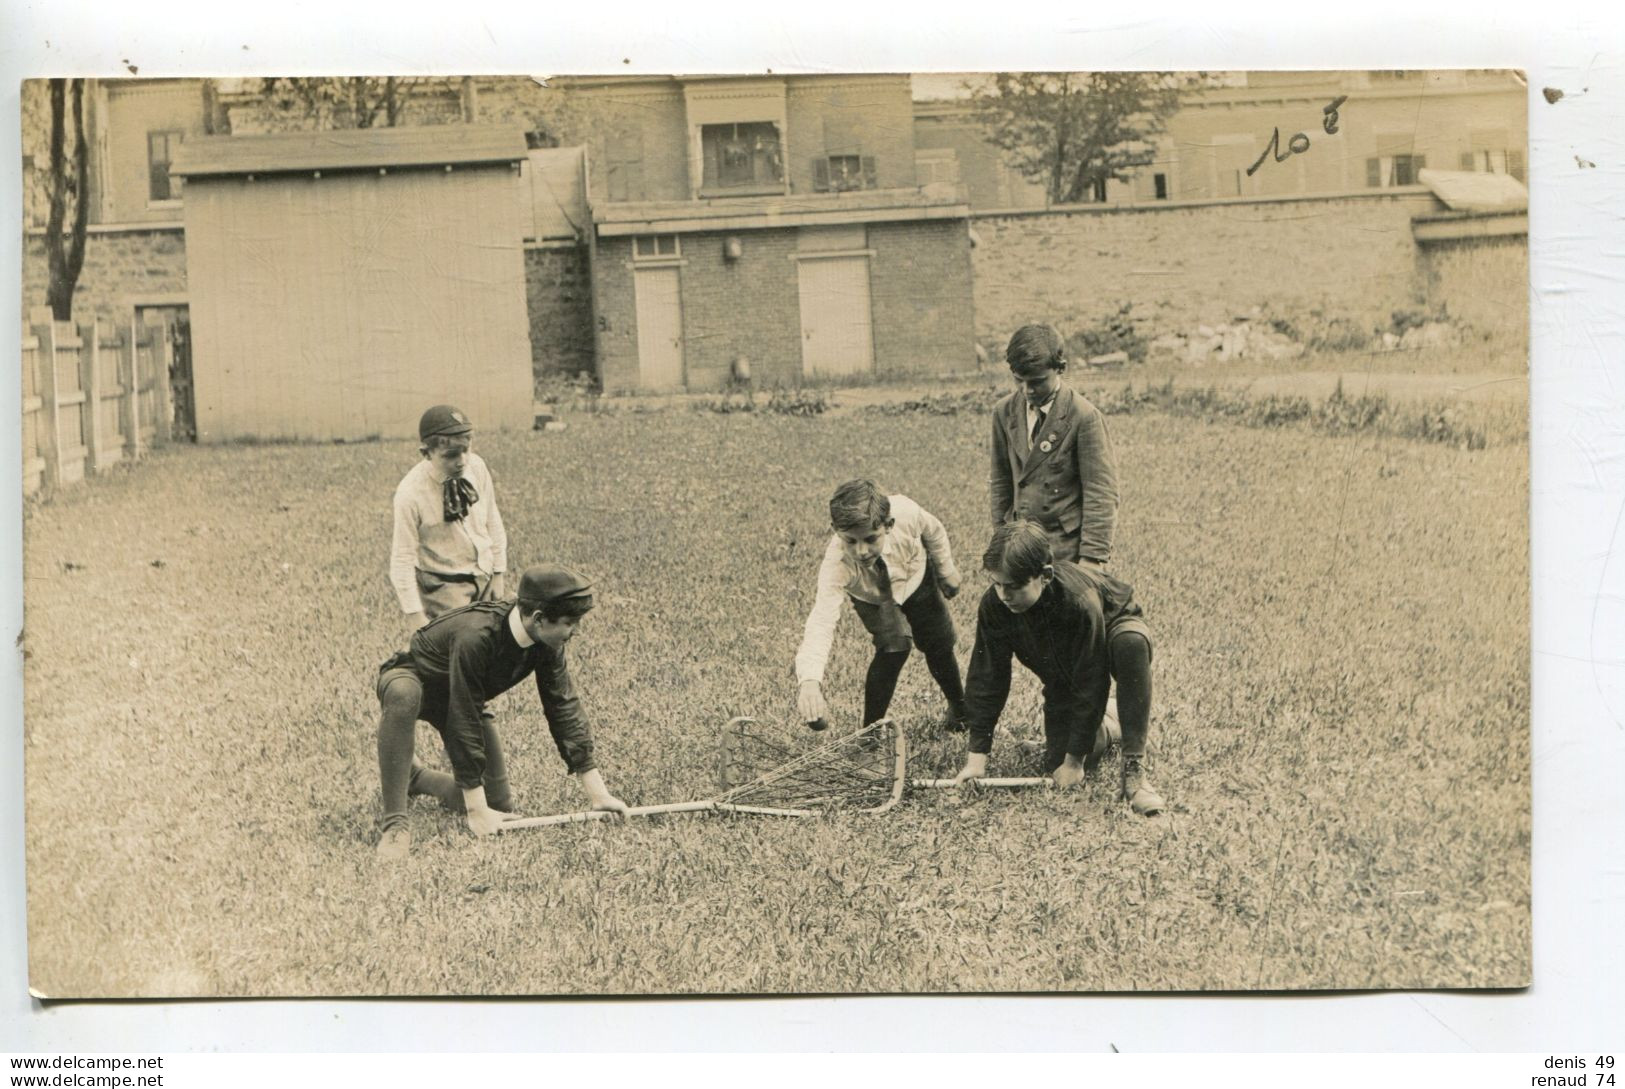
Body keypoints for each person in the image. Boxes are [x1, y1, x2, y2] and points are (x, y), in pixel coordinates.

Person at [373, 564, 628, 859]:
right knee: (404, 695)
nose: (576, 631)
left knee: (498, 804)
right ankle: (395, 825)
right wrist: (475, 810)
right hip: (414, 678)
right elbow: (464, 715)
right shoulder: (476, 636)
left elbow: (563, 708)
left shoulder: (547, 643)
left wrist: (599, 795)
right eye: (571, 622)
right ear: (538, 619)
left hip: (460, 696)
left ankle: (416, 778)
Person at [953, 521, 1165, 816]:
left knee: (1131, 643)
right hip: (1066, 664)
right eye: (997, 583)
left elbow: (1091, 678)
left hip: (1112, 625)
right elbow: (987, 676)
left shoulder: (1078, 602)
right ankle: (1113, 720)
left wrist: (1075, 762)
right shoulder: (995, 605)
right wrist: (977, 760)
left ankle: (1134, 765)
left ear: (1046, 575)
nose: (1004, 595)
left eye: (1014, 586)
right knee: (1056, 761)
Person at [794, 480, 969, 733]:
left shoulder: (907, 512)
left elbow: (934, 530)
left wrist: (946, 569)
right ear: (835, 530)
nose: (862, 551)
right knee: (894, 645)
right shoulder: (837, 565)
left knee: (939, 643)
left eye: (870, 539)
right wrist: (810, 681)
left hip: (915, 579)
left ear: (889, 525)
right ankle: (870, 732)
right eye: (850, 541)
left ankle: (960, 711)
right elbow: (821, 621)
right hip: (873, 597)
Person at [989, 324, 1120, 568]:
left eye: (1037, 382)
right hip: (1020, 548)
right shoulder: (1003, 412)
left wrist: (1092, 558)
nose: (1027, 390)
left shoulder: (1084, 416)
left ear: (1060, 369)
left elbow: (1101, 492)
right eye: (1019, 380)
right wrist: (1001, 538)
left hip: (1066, 550)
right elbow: (1000, 482)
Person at [390, 404, 508, 636]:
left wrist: (498, 573)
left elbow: (493, 519)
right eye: (450, 455)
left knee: (498, 642)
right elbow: (401, 559)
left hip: (483, 573)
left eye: (466, 450)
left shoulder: (477, 467)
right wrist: (415, 616)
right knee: (463, 644)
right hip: (443, 584)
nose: (461, 461)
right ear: (426, 453)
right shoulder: (410, 493)